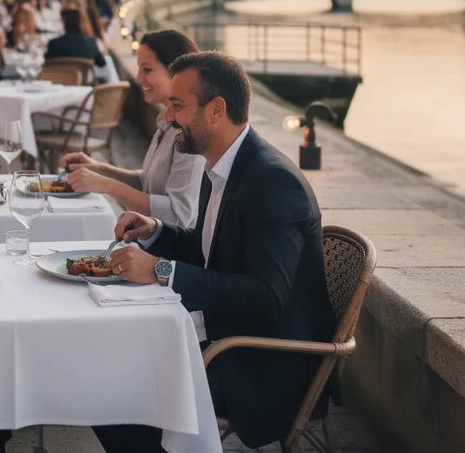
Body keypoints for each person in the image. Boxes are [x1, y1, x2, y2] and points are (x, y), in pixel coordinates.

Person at [104, 51, 334, 452]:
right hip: (225, 337)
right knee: (112, 362)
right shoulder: (222, 167)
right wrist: (156, 231)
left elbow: (266, 297)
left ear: (216, 110)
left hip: (265, 364)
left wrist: (160, 271)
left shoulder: (273, 184)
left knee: (117, 394)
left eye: (178, 105)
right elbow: (208, 250)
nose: (169, 116)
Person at [62, 30, 203, 226]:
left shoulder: (191, 132)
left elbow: (178, 215)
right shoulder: (167, 120)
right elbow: (148, 182)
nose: (138, 78)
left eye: (147, 69)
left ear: (175, 72)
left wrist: (106, 185)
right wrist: (99, 169)